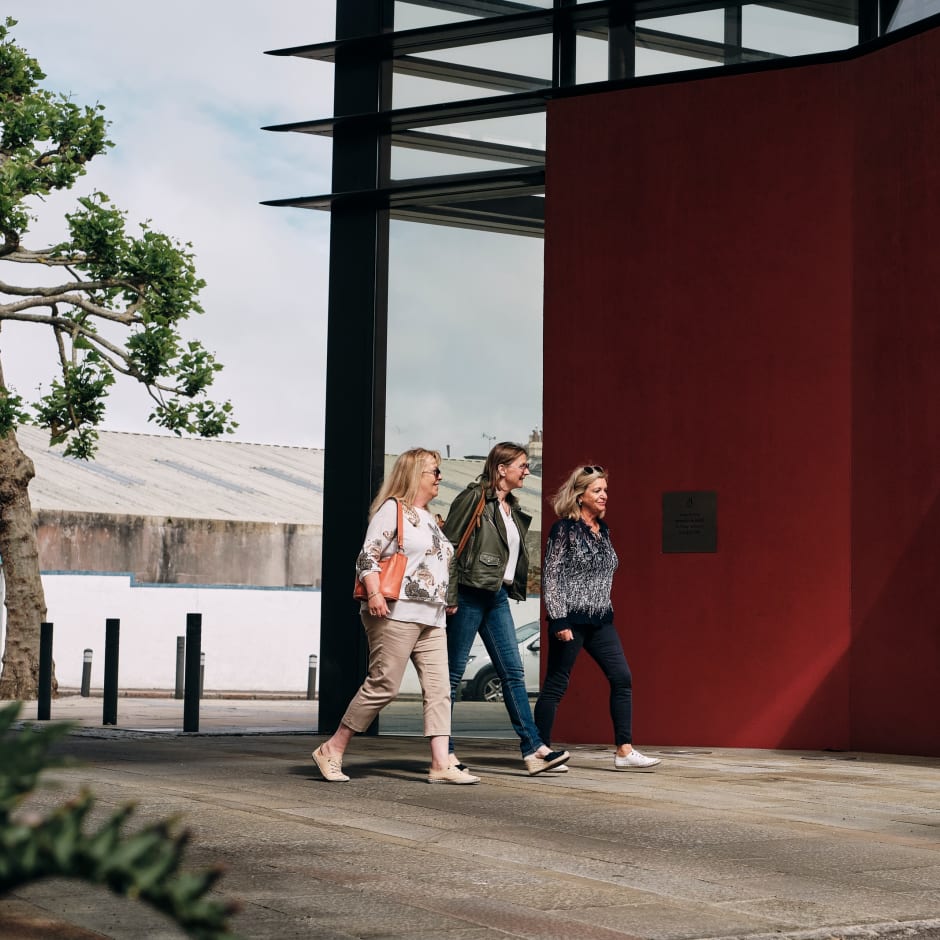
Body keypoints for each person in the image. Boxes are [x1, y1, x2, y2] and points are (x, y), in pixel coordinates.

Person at [312, 448, 479, 785]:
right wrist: (374, 593)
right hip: (396, 611)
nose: (440, 478)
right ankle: (332, 748)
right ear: (415, 474)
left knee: (440, 689)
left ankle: (440, 763)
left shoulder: (429, 516)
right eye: (434, 471)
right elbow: (366, 558)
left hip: (431, 617)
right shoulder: (393, 511)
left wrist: (444, 597)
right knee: (384, 685)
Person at [443, 442, 569, 776]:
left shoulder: (510, 507)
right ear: (502, 469)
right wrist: (451, 597)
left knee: (513, 673)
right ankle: (444, 752)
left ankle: (533, 749)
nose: (527, 471)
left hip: (495, 596)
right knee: (452, 677)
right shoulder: (473, 499)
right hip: (469, 594)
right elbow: (449, 550)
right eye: (522, 465)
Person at [534, 465, 661, 771]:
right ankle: (540, 751)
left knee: (622, 678)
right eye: (597, 491)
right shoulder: (564, 529)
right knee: (556, 684)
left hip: (601, 620)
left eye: (605, 490)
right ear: (580, 496)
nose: (604, 496)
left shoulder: (602, 530)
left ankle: (624, 750)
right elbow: (551, 576)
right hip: (571, 620)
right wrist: (559, 620)